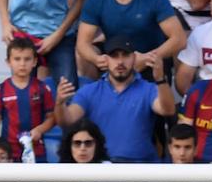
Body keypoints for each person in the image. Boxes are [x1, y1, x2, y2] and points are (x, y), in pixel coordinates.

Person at [55, 35, 176, 163]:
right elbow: (67, 121)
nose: (120, 62)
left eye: (125, 55)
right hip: (102, 170)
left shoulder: (149, 89)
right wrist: (59, 103)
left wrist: (160, 79)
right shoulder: (89, 91)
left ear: (134, 58)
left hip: (140, 169)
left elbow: (167, 110)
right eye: (114, 56)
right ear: (106, 59)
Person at [75, 0, 184, 81]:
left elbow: (179, 39)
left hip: (149, 61)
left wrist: (147, 58)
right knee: (83, 55)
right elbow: (82, 43)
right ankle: (92, 93)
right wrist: (97, 59)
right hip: (115, 60)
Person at [0, 38, 52, 162]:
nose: (22, 64)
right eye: (17, 59)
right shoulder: (1, 90)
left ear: (34, 62)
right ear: (8, 62)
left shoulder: (43, 88)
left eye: (27, 59)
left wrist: (39, 130)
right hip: (9, 153)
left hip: (36, 151)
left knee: (36, 181)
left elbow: (52, 118)